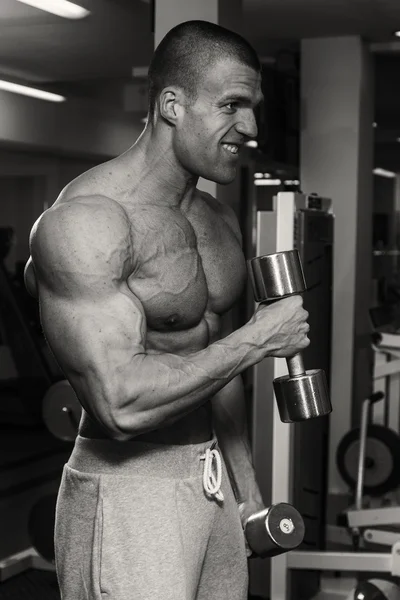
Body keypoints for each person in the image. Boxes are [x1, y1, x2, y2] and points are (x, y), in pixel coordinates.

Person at [24, 20, 310, 600]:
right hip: (130, 487)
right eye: (232, 104)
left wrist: (247, 492)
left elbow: (214, 369)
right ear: (173, 105)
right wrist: (257, 339)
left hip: (212, 483)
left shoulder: (219, 222)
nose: (250, 126)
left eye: (252, 107)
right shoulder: (89, 222)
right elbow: (120, 403)